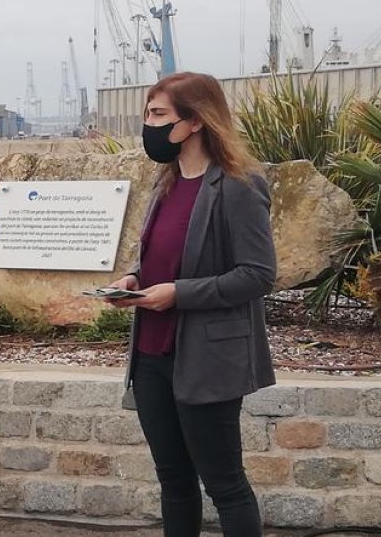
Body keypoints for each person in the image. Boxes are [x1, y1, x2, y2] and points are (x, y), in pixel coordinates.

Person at [105, 72, 276, 536]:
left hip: (207, 359)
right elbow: (164, 257)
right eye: (147, 114)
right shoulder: (166, 182)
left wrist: (178, 293)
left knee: (226, 485)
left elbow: (257, 274)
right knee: (174, 480)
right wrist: (135, 280)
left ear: (196, 120)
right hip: (151, 356)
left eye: (159, 114)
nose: (149, 124)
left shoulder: (239, 185)